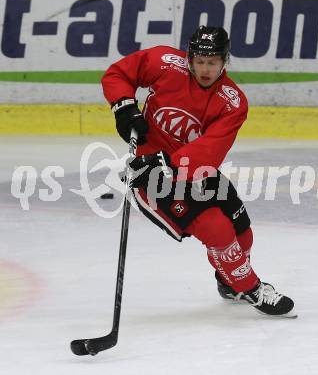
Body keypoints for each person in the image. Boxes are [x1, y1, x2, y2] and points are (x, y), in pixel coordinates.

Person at [101, 26, 296, 317]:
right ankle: (250, 288)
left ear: (225, 62)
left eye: (213, 62)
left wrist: (169, 162)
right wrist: (124, 106)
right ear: (189, 58)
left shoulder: (232, 102)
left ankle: (228, 282)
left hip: (196, 171)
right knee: (218, 230)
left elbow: (211, 148)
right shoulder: (165, 62)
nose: (205, 69)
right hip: (151, 176)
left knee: (242, 231)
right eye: (200, 62)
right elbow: (118, 74)